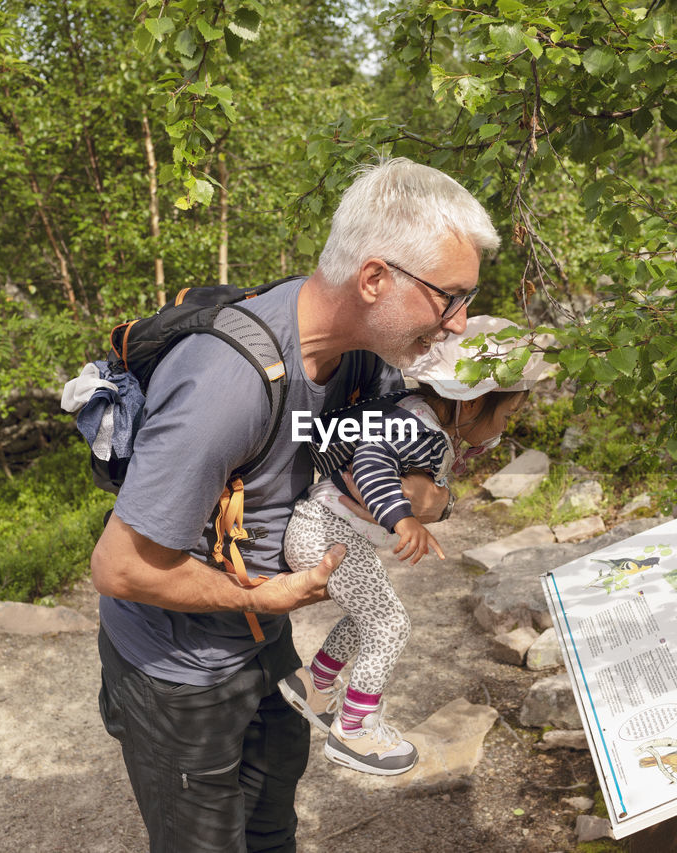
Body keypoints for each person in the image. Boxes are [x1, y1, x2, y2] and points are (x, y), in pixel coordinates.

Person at [89, 157, 500, 852]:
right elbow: (119, 567)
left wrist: (428, 495)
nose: (459, 324)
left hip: (263, 645)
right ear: (374, 279)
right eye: (450, 297)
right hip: (177, 671)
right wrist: (272, 595)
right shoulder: (227, 384)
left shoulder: (360, 355)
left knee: (273, 828)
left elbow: (398, 470)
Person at [279, 316, 548, 776]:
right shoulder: (416, 425)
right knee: (391, 625)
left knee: (368, 618)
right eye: (507, 414)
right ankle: (355, 728)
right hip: (326, 531)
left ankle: (314, 684)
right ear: (475, 401)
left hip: (323, 528)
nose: (506, 427)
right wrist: (403, 519)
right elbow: (370, 461)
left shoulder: (416, 413)